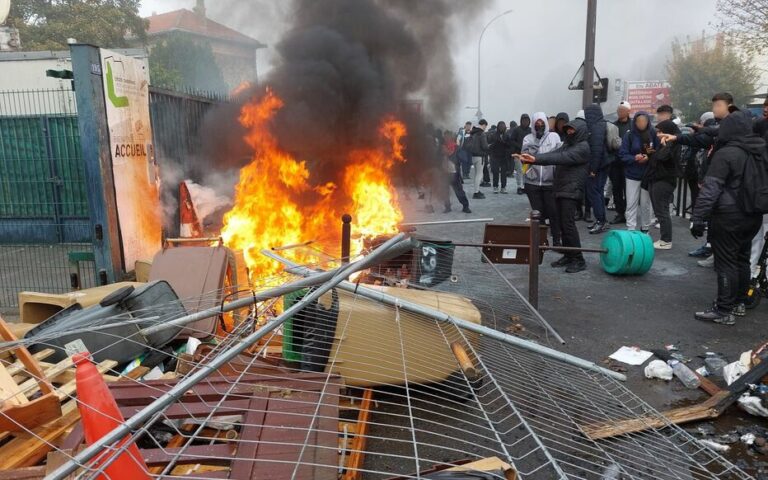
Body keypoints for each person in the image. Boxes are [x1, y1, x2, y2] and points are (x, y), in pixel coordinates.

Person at [690, 111, 766, 325]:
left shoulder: (726, 154)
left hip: (728, 216)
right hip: (753, 214)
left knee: (725, 262)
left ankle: (724, 310)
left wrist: (698, 217)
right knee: (742, 259)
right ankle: (739, 303)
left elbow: (711, 188)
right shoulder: (759, 151)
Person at [519, 119, 590, 273]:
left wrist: (536, 159)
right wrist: (533, 158)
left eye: (573, 130)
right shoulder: (568, 144)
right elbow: (554, 154)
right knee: (562, 224)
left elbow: (560, 158)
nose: (570, 132)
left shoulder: (582, 147)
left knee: (568, 224)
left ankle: (578, 259)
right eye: (568, 130)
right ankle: (568, 254)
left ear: (580, 131)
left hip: (571, 190)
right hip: (561, 188)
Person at [522, 112, 563, 246]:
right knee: (537, 214)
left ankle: (557, 239)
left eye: (541, 123)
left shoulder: (554, 136)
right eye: (536, 123)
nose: (539, 125)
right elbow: (524, 158)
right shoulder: (528, 138)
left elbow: (559, 156)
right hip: (532, 181)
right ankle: (541, 240)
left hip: (550, 181)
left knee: (553, 212)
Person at [584, 104, 621, 234]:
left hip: (599, 165)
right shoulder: (602, 124)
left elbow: (596, 150)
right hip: (605, 163)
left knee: (595, 192)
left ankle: (601, 221)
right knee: (598, 192)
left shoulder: (595, 127)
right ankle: (601, 220)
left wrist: (593, 169)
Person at [619, 111, 658, 232]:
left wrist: (649, 157)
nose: (642, 124)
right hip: (632, 174)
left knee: (646, 204)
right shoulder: (629, 135)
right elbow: (622, 154)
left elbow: (657, 152)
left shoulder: (652, 134)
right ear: (635, 122)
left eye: (644, 121)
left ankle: (645, 228)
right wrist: (634, 158)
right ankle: (631, 228)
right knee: (631, 203)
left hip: (647, 174)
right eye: (639, 121)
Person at [646, 120, 682, 249]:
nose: (658, 134)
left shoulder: (672, 144)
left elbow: (663, 157)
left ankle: (666, 240)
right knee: (660, 210)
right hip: (657, 178)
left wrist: (665, 144)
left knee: (662, 211)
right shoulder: (665, 143)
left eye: (661, 132)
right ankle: (664, 239)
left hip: (664, 180)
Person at [609, 101, 632, 225]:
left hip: (629, 164)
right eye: (618, 111)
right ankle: (620, 213)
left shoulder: (633, 126)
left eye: (622, 110)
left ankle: (629, 213)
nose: (619, 113)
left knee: (629, 190)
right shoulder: (613, 126)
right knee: (616, 189)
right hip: (615, 163)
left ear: (628, 111)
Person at [441, 131, 471, 213]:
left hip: (454, 173)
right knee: (445, 191)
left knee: (459, 191)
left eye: (448, 137)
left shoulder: (456, 148)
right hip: (444, 173)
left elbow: (464, 159)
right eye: (445, 137)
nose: (446, 138)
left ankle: (465, 206)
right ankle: (448, 207)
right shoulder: (442, 148)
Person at [467, 119, 490, 199]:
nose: (485, 128)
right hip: (480, 156)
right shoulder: (482, 133)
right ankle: (476, 192)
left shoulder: (473, 132)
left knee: (476, 174)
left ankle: (476, 190)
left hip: (473, 155)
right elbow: (484, 146)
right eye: (485, 126)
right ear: (483, 125)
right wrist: (489, 146)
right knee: (479, 174)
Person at [510, 114, 532, 194]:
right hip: (518, 154)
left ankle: (525, 185)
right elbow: (511, 140)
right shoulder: (516, 130)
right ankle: (519, 186)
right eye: (524, 120)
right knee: (519, 170)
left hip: (527, 155)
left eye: (527, 120)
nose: (525, 122)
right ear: (521, 121)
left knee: (526, 171)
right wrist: (519, 146)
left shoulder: (531, 130)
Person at [488, 121, 512, 193]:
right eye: (500, 126)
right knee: (495, 172)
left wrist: (504, 143)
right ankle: (495, 187)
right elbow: (490, 145)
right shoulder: (494, 135)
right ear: (498, 127)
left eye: (503, 127)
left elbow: (509, 145)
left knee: (503, 173)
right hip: (495, 156)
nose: (502, 128)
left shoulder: (507, 135)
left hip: (504, 156)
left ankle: (503, 187)